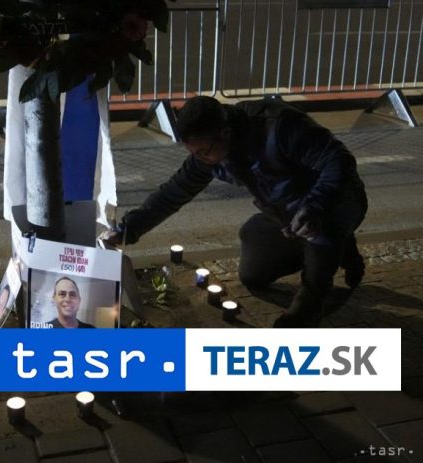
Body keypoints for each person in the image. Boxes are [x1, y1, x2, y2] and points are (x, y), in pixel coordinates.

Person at [101, 96, 367, 328]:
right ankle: (338, 245)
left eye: (203, 152)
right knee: (253, 273)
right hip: (284, 214)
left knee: (317, 252)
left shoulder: (279, 127)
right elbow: (174, 192)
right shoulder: (209, 150)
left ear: (225, 133)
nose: (199, 158)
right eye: (193, 153)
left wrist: (317, 206)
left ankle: (309, 305)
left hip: (334, 203)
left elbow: (338, 160)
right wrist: (129, 229)